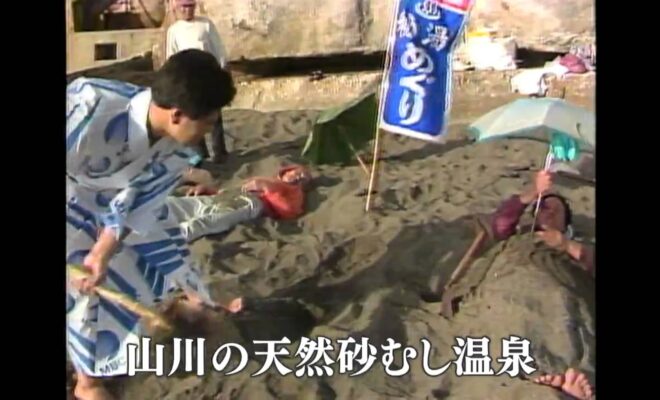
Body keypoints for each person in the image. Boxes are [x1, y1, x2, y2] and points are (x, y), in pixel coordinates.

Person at [67, 49, 240, 400]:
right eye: (207, 123)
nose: (208, 130)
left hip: (108, 205)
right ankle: (88, 382)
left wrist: (102, 252)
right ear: (177, 115)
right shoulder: (89, 105)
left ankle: (187, 304)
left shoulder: (179, 149)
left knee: (141, 258)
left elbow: (140, 205)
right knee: (78, 287)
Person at [168, 165, 312, 242]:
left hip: (252, 203)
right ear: (286, 172)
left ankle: (175, 235)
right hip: (228, 195)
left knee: (212, 220)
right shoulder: (266, 179)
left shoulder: (295, 192)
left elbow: (288, 209)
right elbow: (235, 188)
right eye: (297, 172)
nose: (299, 176)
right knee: (182, 204)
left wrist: (271, 188)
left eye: (304, 177)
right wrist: (209, 190)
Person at [489, 170, 594, 275]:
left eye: (557, 210)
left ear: (565, 224)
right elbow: (499, 225)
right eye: (545, 208)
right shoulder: (522, 234)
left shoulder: (577, 245)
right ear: (536, 215)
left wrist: (566, 245)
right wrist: (534, 191)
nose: (551, 212)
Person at [166, 0, 229, 163]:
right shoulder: (174, 30)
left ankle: (220, 151)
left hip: (208, 73)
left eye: (190, 7)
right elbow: (171, 55)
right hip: (188, 78)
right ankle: (201, 153)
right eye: (184, 7)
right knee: (193, 115)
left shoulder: (205, 25)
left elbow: (218, 49)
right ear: (177, 8)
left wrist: (222, 68)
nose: (187, 10)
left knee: (214, 115)